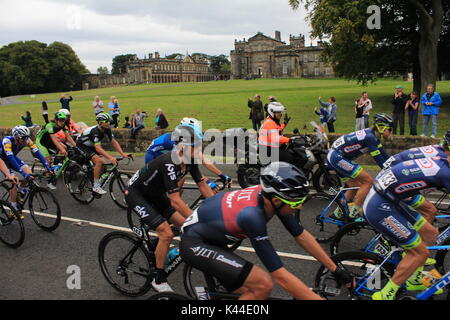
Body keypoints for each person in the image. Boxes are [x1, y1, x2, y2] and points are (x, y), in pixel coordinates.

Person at [180, 162, 354, 300]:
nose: (299, 207)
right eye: (295, 203)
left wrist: (335, 269)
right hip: (195, 243)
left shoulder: (271, 198)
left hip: (213, 237)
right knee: (262, 285)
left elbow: (300, 235)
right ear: (277, 200)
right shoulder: (252, 216)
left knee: (250, 291)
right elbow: (280, 276)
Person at [125, 123, 216, 292]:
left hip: (155, 195)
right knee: (166, 233)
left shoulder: (191, 161)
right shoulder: (169, 162)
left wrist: (219, 207)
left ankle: (156, 246)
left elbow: (203, 186)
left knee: (185, 228)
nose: (198, 149)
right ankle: (158, 279)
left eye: (199, 145)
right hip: (137, 194)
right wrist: (196, 219)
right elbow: (175, 200)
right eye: (195, 145)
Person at [363, 155, 450, 300]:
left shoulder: (442, 161)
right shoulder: (445, 173)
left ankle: (413, 279)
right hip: (380, 206)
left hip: (391, 199)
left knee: (430, 233)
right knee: (420, 252)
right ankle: (386, 295)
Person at [326, 113, 393, 220]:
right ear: (381, 128)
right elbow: (379, 161)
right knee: (368, 181)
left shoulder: (374, 137)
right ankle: (354, 213)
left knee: (355, 185)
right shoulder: (370, 137)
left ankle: (338, 212)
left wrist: (395, 164)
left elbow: (384, 155)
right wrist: (391, 171)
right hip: (337, 157)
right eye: (390, 129)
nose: (391, 132)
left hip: (335, 156)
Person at [144, 118, 233, 189]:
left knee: (180, 183)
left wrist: (222, 175)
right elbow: (188, 165)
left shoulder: (186, 140)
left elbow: (203, 159)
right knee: (177, 179)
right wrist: (208, 182)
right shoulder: (174, 141)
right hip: (153, 158)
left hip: (165, 156)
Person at [0, 126, 52, 213]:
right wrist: (23, 174)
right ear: (16, 137)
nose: (25, 140)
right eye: (23, 138)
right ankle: (13, 208)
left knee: (29, 173)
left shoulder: (26, 140)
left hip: (13, 159)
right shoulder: (7, 141)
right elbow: (11, 158)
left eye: (27, 137)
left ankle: (20, 191)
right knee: (14, 181)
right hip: (4, 161)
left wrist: (47, 167)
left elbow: (38, 153)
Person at [76, 113, 130, 194]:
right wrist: (111, 158)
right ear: (100, 123)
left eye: (109, 121)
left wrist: (122, 153)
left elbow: (114, 142)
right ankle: (96, 186)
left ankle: (94, 178)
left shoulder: (107, 129)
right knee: (99, 161)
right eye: (107, 121)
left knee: (103, 165)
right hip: (82, 145)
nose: (109, 123)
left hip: (91, 145)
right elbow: (98, 148)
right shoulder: (95, 131)